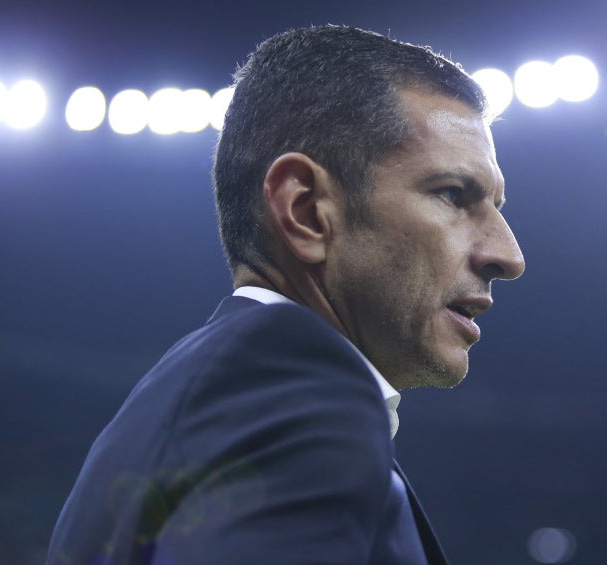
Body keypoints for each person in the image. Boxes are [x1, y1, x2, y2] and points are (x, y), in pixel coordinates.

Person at [46, 24, 524, 565]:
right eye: (453, 195)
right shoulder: (298, 397)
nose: (508, 256)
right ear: (306, 212)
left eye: (496, 208)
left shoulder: (209, 394)